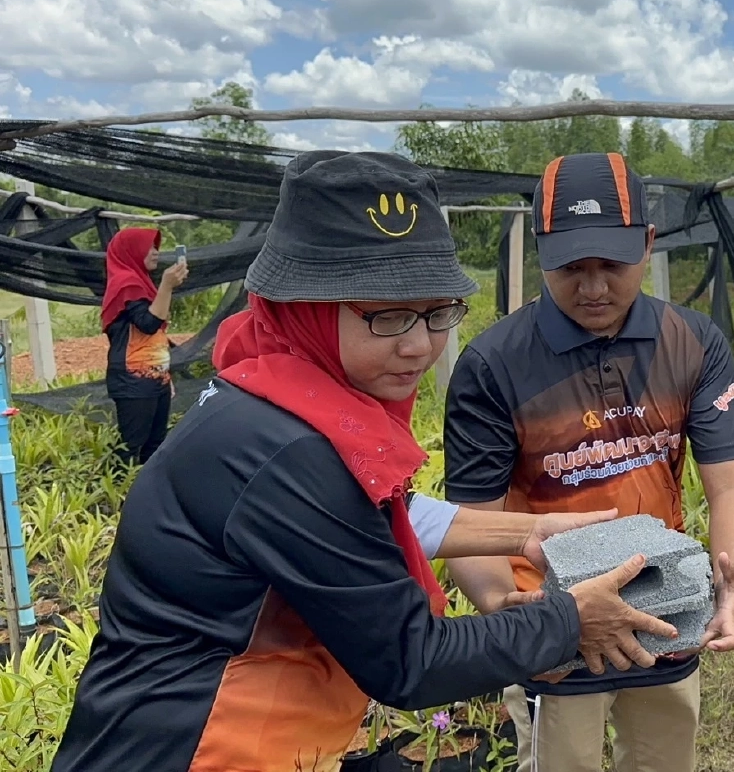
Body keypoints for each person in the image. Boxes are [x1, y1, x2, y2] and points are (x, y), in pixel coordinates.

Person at [50, 151, 676, 772]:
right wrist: (569, 620)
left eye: (437, 313)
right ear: (308, 309)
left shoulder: (279, 394)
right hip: (195, 745)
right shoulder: (283, 449)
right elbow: (412, 663)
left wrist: (525, 530)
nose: (420, 345)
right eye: (388, 316)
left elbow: (370, 509)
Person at [441, 152, 734, 772]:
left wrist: (733, 587)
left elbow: (730, 488)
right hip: (555, 630)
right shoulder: (494, 365)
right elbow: (472, 521)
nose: (593, 288)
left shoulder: (693, 342)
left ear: (647, 243)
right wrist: (512, 617)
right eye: (570, 267)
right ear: (540, 250)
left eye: (612, 265)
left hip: (666, 614)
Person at [101, 226, 188, 464]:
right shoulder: (127, 284)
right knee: (131, 446)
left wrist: (163, 375)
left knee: (154, 444)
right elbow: (149, 324)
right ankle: (118, 495)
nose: (156, 252)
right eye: (150, 247)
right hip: (134, 379)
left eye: (157, 247)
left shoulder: (142, 283)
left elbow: (155, 330)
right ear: (133, 250)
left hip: (154, 378)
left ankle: (143, 496)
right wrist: (167, 286)